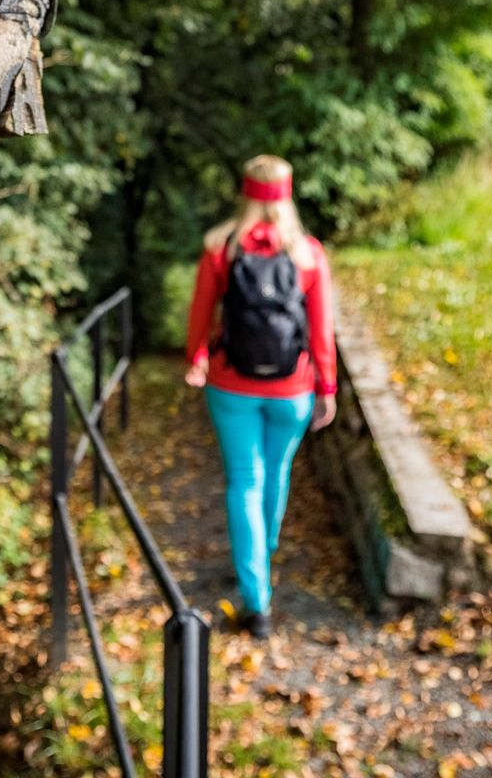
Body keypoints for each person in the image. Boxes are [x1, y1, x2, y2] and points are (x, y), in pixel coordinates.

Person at [184, 154, 336, 638]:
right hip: (294, 388)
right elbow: (321, 330)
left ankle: (257, 599)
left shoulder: (220, 249)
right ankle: (260, 553)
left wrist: (196, 358)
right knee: (277, 472)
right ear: (287, 194)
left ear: (246, 192)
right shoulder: (309, 253)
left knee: (244, 481)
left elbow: (200, 316)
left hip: (232, 386)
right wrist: (326, 386)